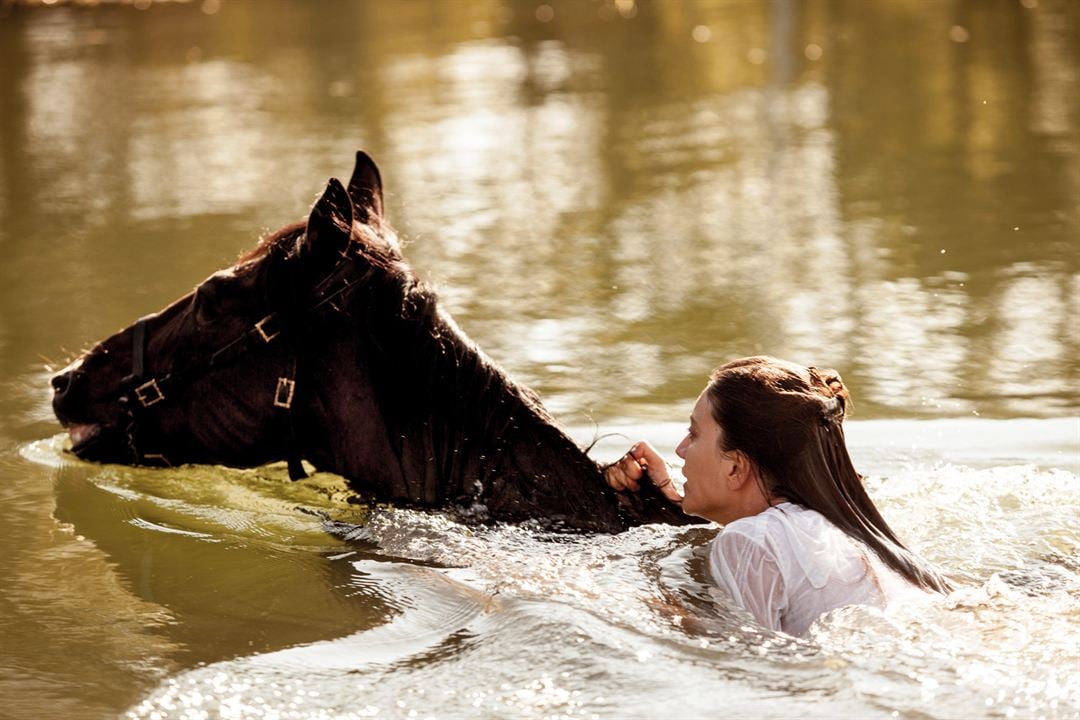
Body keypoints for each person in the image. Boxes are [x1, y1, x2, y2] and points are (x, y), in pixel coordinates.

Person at [605, 356, 951, 637]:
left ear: (735, 467)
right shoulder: (857, 531)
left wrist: (616, 599)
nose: (680, 451)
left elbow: (749, 657)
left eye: (693, 434)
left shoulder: (748, 541)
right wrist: (667, 505)